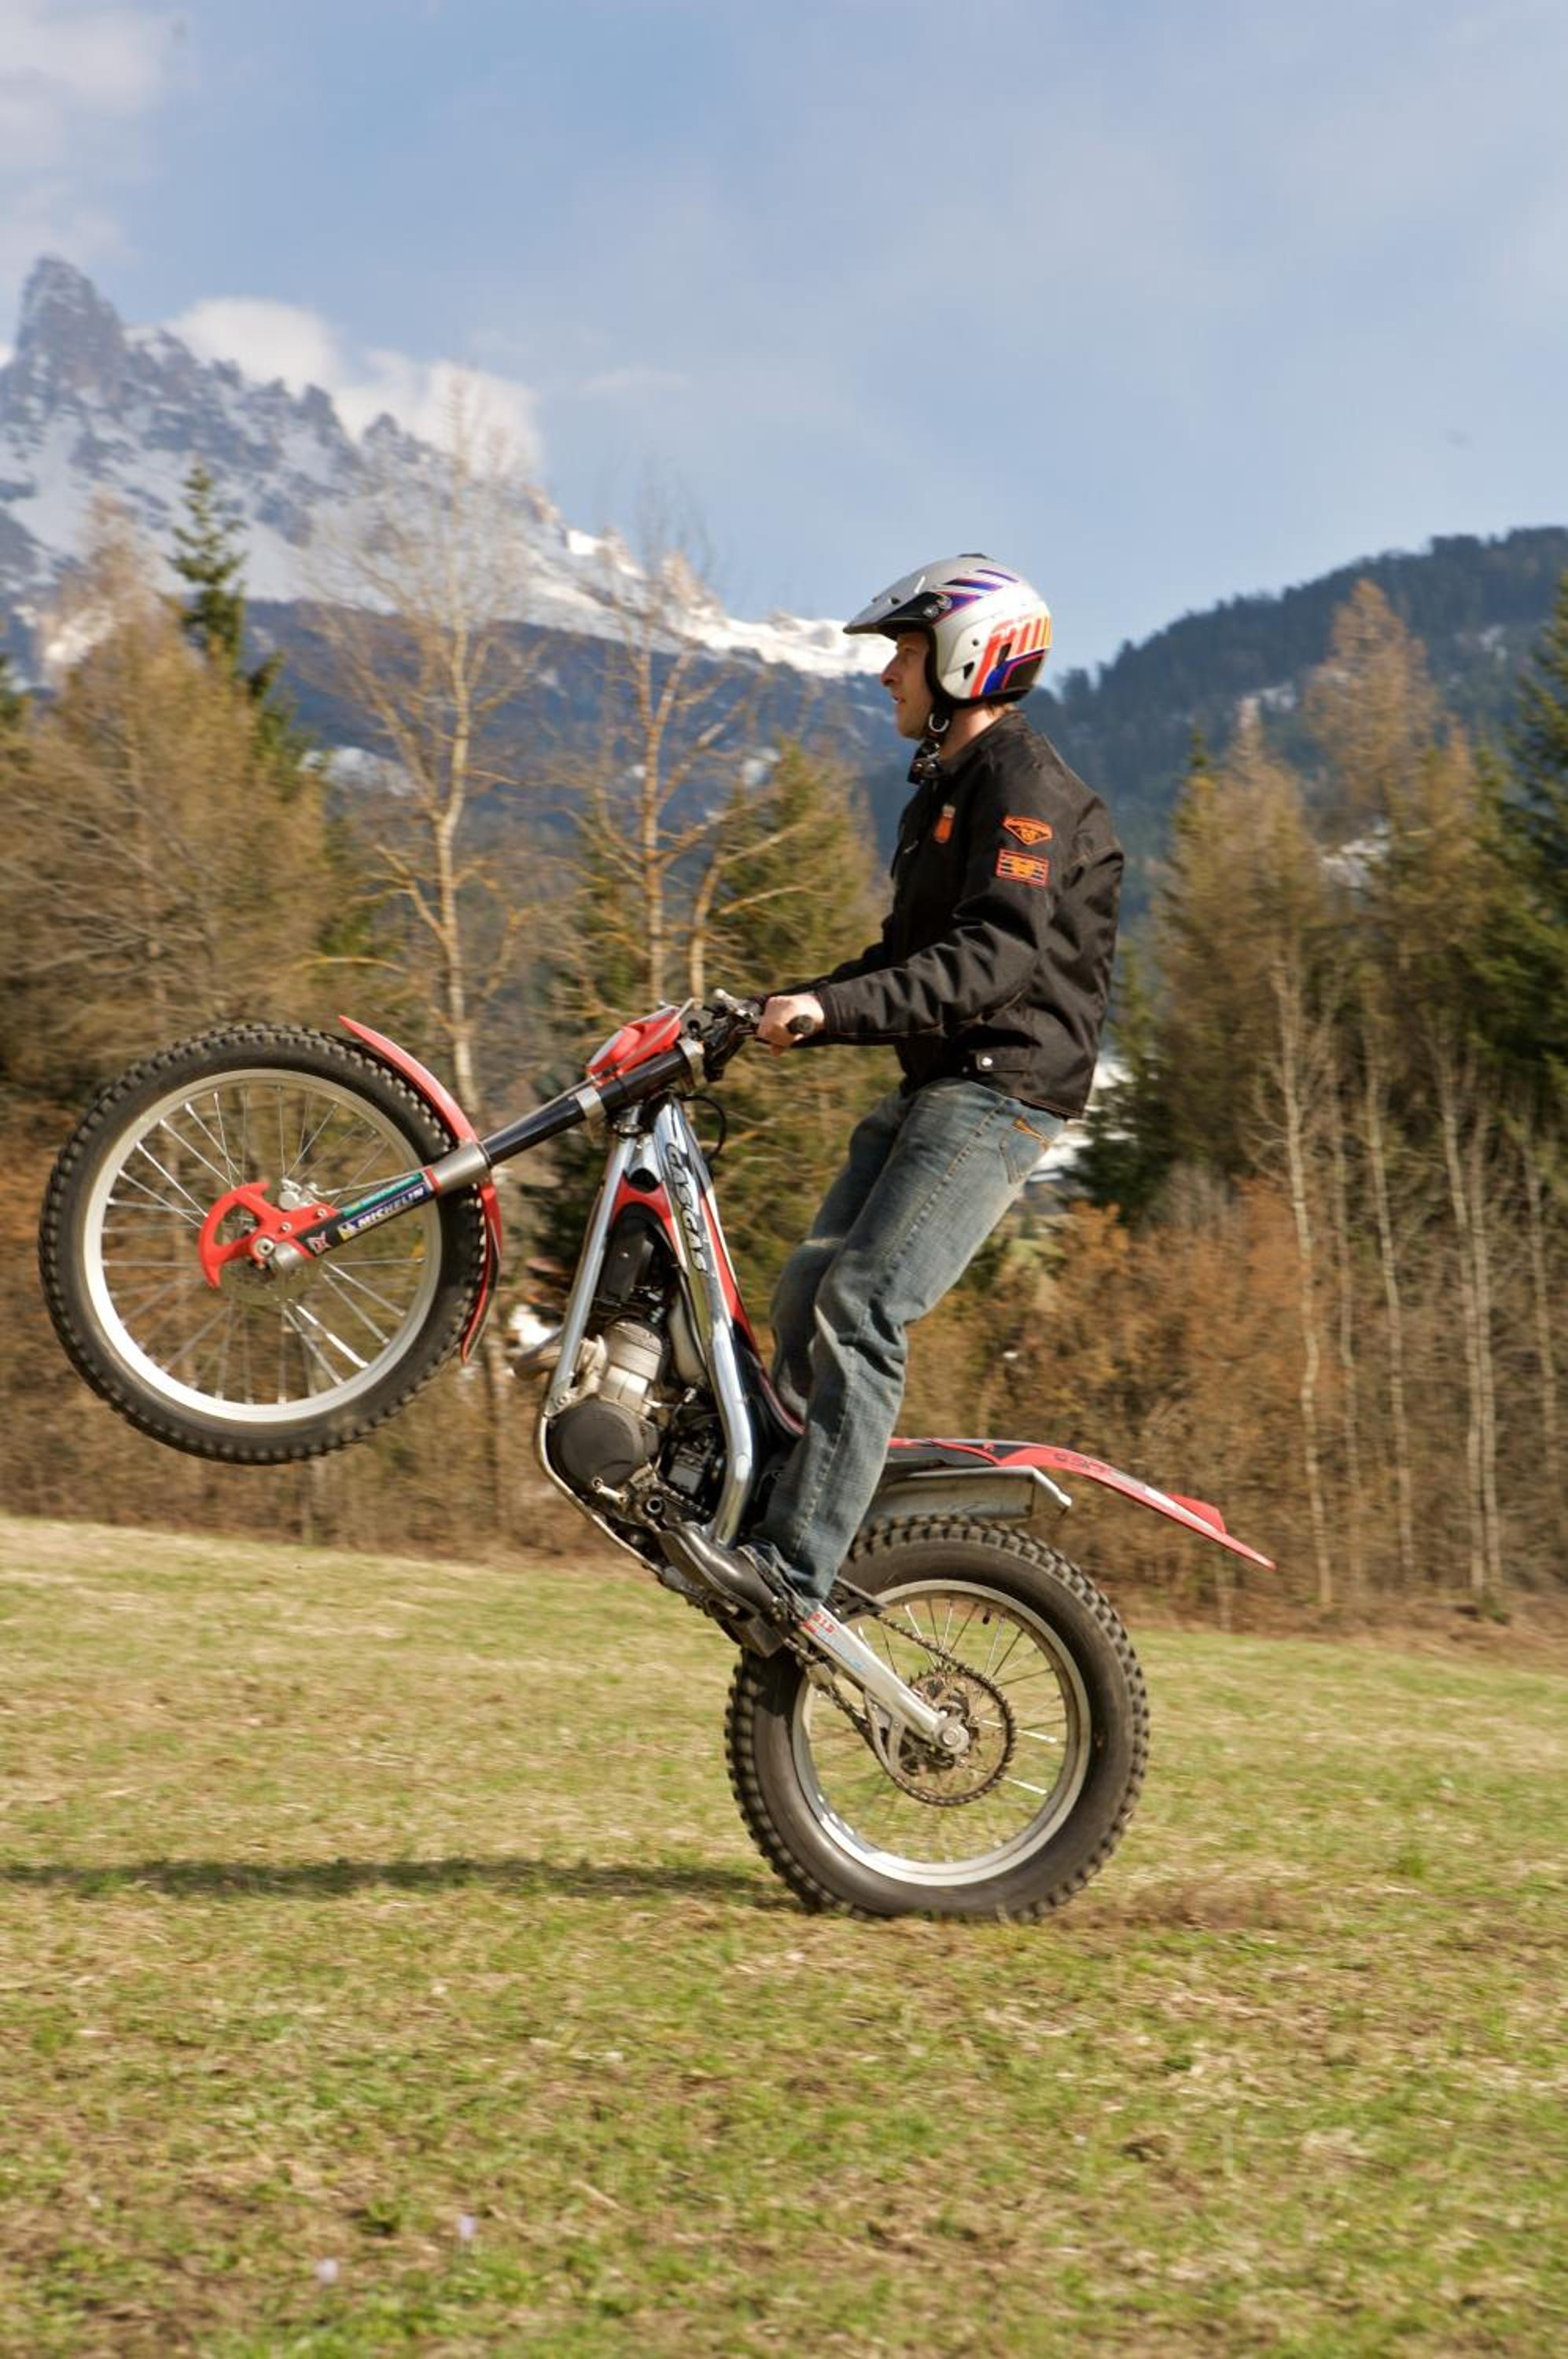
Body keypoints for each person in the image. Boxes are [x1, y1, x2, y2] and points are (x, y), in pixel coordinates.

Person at [679, 553, 1122, 1615]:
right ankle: (769, 1516)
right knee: (805, 1292)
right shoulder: (944, 793)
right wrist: (782, 1004)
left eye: (905, 653)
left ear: (966, 659)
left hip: (1000, 1092)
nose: (887, 674)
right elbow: (904, 959)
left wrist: (827, 1014)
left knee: (864, 1304)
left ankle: (798, 1570)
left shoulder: (1023, 789)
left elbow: (993, 960)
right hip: (939, 1084)